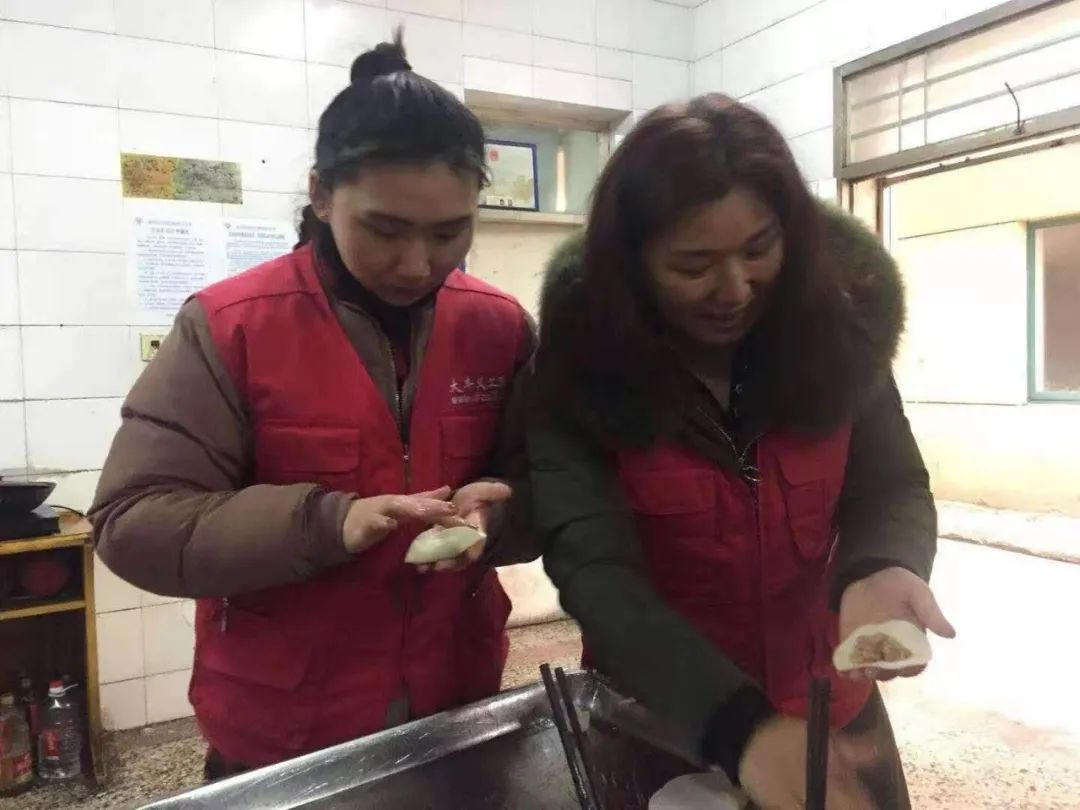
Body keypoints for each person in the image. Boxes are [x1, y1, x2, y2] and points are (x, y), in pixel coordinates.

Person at [90, 33, 536, 779]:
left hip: (455, 710)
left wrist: (500, 516)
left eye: (449, 233)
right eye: (385, 230)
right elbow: (132, 521)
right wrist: (327, 523)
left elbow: (552, 485)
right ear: (322, 195)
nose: (418, 264)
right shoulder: (233, 326)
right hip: (284, 731)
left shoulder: (499, 327)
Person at [527, 94, 955, 809]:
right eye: (692, 265)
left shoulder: (839, 336)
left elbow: (890, 483)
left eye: (759, 251)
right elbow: (596, 571)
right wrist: (737, 728)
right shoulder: (579, 370)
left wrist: (881, 565)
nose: (734, 289)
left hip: (829, 708)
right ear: (631, 263)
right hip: (665, 719)